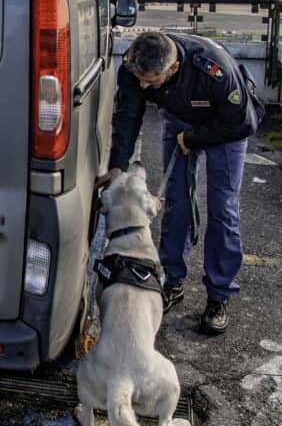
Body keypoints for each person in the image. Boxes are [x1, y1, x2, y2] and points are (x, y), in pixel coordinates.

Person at [98, 31, 262, 335]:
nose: (144, 86)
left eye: (151, 80)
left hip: (226, 127)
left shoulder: (215, 71)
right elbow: (128, 116)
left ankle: (218, 296)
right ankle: (172, 281)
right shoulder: (135, 66)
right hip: (180, 119)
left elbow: (243, 122)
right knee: (176, 203)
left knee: (222, 210)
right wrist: (117, 167)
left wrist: (195, 139)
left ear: (172, 69)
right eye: (140, 79)